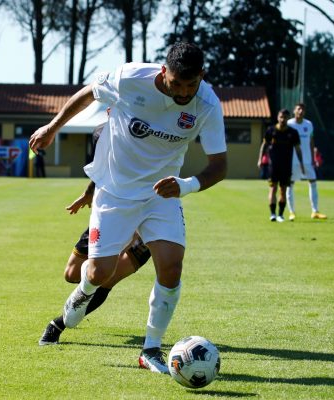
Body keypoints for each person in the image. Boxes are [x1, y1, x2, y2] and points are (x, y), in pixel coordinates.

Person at [29, 42, 227, 374]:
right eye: (177, 83)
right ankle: (73, 306)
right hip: (115, 194)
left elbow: (219, 166)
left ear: (201, 78)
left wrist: (187, 185)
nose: (183, 92)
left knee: (171, 267)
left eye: (190, 85)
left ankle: (150, 350)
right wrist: (52, 128)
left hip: (161, 195)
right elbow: (89, 93)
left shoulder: (206, 104)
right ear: (164, 72)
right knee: (97, 274)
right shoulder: (130, 78)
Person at [38, 180, 152, 345]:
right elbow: (103, 167)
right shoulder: (123, 158)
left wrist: (127, 240)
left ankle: (58, 325)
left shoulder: (160, 164)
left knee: (107, 278)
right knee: (71, 274)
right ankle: (89, 278)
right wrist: (89, 193)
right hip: (109, 214)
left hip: (146, 224)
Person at [258, 109, 304, 222]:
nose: (282, 119)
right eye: (281, 117)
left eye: (285, 117)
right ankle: (272, 214)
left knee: (283, 190)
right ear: (278, 117)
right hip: (273, 166)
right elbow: (264, 145)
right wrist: (260, 159)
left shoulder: (293, 133)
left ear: (288, 118)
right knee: (273, 188)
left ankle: (280, 215)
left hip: (286, 166)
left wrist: (302, 163)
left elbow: (298, 149)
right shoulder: (271, 130)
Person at [287, 103, 327, 221]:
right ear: (294, 111)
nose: (301, 111)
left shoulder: (309, 124)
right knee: (290, 184)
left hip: (307, 160)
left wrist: (313, 157)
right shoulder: (289, 124)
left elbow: (311, 141)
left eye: (303, 109)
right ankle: (291, 212)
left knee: (313, 182)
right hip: (293, 160)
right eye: (299, 109)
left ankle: (315, 211)